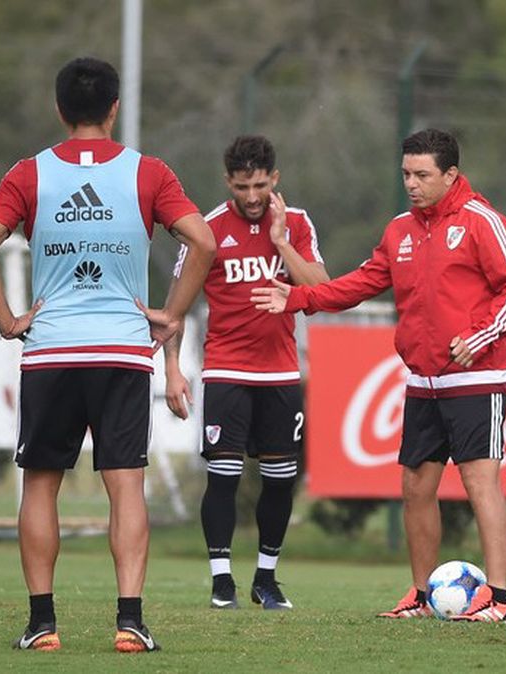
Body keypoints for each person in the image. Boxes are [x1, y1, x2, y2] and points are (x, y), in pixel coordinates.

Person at [0, 57, 215, 653]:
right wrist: (173, 313)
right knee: (125, 485)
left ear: (59, 110)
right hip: (122, 351)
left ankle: (41, 624)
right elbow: (202, 240)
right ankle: (130, 621)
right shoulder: (147, 172)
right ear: (114, 108)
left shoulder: (29, 174)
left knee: (41, 485)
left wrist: (6, 321)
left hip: (51, 350)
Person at [252, 128, 506, 623]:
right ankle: (423, 596)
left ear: (450, 174)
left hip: (475, 377)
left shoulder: (481, 221)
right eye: (406, 173)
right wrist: (297, 298)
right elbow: (360, 283)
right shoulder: (400, 230)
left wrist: (481, 336)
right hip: (422, 381)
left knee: (479, 482)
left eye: (422, 175)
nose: (412, 183)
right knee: (415, 487)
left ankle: (501, 599)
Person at [164, 135, 329, 610]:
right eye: (242, 186)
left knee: (280, 479)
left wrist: (280, 242)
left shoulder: (295, 223)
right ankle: (221, 582)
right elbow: (177, 305)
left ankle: (266, 579)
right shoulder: (208, 229)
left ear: (274, 179)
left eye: (259, 185)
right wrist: (173, 368)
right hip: (226, 371)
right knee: (224, 476)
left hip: (280, 374)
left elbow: (321, 289)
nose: (252, 197)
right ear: (227, 182)